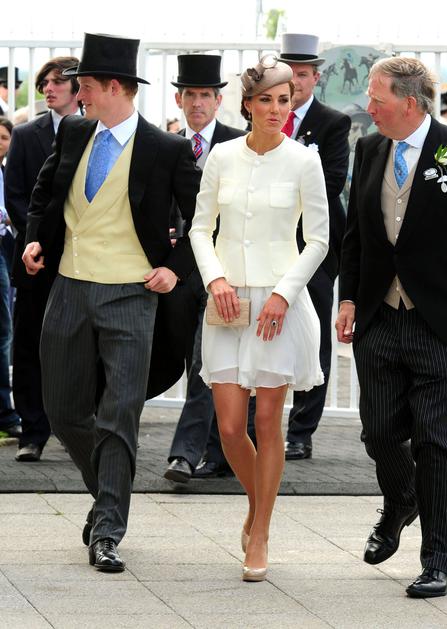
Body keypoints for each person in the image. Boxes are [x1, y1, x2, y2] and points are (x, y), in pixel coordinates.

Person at [22, 33, 200, 572]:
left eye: (86, 87)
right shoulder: (75, 133)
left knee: (120, 413)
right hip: (69, 288)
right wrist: (35, 239)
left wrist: (175, 269)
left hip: (132, 295)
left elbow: (203, 220)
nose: (78, 96)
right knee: (62, 409)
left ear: (116, 88)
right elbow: (45, 194)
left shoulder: (165, 149)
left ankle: (107, 530)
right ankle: (107, 491)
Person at [336, 56, 447, 598]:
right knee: (379, 431)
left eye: (377, 98)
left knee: (437, 444)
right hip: (380, 318)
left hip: (441, 321)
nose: (369, 107)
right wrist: (349, 298)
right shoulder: (369, 149)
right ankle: (401, 499)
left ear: (409, 103)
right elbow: (357, 233)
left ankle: (439, 561)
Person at [189, 55, 329, 581]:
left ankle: (261, 531)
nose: (275, 109)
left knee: (268, 421)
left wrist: (283, 295)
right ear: (247, 104)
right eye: (265, 100)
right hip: (226, 303)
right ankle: (257, 504)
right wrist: (215, 279)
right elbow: (200, 228)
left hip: (277, 306)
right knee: (229, 427)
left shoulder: (304, 161)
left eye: (284, 100)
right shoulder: (222, 156)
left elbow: (319, 240)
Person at [164, 54, 246, 484]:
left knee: (205, 359)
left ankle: (184, 454)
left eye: (205, 95)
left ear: (218, 101)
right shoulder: (163, 145)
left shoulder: (239, 145)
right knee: (192, 359)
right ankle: (223, 450)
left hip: (224, 270)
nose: (197, 103)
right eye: (190, 94)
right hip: (177, 271)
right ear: (178, 100)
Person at [278, 33, 351, 461]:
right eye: (289, 73)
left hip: (314, 242)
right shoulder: (265, 116)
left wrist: (279, 192)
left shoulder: (332, 123)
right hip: (270, 241)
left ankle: (301, 430)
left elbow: (333, 181)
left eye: (302, 74)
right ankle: (256, 422)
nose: (295, 82)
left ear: (316, 78)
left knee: (313, 333)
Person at [5, 56, 81, 462]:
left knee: (81, 348)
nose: (48, 89)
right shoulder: (24, 134)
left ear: (77, 88)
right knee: (29, 346)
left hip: (84, 259)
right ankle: (33, 433)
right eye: (44, 83)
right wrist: (39, 241)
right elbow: (16, 195)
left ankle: (76, 430)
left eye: (56, 82)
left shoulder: (97, 132)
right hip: (34, 260)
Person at [0, 116, 20, 439]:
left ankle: (4, 411)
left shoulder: (7, 171)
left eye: (4, 138)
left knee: (5, 331)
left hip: (6, 247)